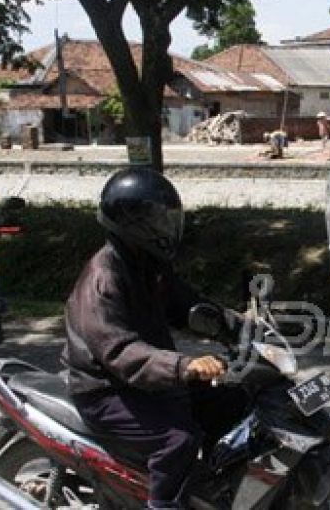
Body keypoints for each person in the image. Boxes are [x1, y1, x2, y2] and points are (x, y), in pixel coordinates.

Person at [62, 167, 246, 509]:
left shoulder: (148, 265)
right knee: (178, 440)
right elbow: (120, 351)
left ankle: (209, 487)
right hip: (106, 389)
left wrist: (238, 327)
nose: (167, 228)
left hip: (147, 378)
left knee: (234, 398)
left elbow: (188, 305)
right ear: (132, 224)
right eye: (158, 220)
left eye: (168, 219)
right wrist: (184, 365)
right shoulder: (104, 279)